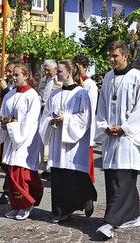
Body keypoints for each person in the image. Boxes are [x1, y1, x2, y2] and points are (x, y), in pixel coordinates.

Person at [94, 40, 140, 240]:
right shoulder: (108, 77)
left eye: (115, 56)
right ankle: (132, 216)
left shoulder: (138, 78)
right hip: (111, 136)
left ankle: (111, 222)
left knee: (123, 179)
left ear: (125, 56)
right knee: (113, 178)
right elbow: (101, 105)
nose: (111, 60)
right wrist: (103, 126)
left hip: (128, 137)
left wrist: (125, 128)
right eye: (110, 56)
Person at [40, 60, 96, 223]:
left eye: (60, 71)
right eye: (57, 71)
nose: (57, 74)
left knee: (73, 175)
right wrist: (51, 121)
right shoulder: (55, 94)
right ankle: (59, 210)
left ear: (70, 72)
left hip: (73, 141)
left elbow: (85, 118)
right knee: (58, 175)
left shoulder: (81, 93)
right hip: (58, 140)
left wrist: (67, 119)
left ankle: (79, 202)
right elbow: (46, 114)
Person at [0, 64, 43, 221]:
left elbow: (30, 121)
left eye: (17, 75)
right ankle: (16, 205)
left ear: (26, 76)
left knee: (21, 175)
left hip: (25, 140)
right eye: (12, 75)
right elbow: (3, 114)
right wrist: (2, 125)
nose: (13, 78)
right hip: (11, 137)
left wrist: (13, 127)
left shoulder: (32, 96)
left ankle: (26, 204)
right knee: (11, 173)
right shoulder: (10, 94)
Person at [0, 61, 17, 205]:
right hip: (2, 125)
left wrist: (6, 90)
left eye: (11, 72)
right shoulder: (7, 86)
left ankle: (7, 191)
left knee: (8, 159)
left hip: (13, 128)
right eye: (7, 71)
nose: (8, 74)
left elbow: (14, 101)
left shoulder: (15, 88)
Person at [74, 54, 97, 182]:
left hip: (85, 127)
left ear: (85, 67)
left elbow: (90, 109)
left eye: (78, 67)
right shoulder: (73, 83)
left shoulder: (90, 85)